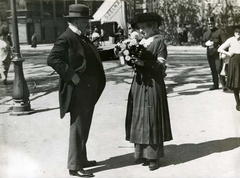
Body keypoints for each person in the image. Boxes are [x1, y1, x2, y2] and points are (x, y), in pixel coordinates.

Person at [47, 4, 106, 177]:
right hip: (79, 88)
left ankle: (82, 158)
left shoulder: (80, 36)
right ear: (77, 22)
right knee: (78, 125)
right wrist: (71, 75)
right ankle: (74, 166)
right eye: (85, 22)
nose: (88, 25)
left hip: (88, 88)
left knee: (84, 123)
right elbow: (52, 59)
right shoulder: (67, 37)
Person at [125, 13, 173, 171]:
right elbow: (135, 62)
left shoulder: (159, 42)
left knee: (151, 118)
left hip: (153, 84)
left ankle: (153, 157)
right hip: (139, 84)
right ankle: (142, 153)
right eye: (140, 28)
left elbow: (160, 66)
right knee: (139, 116)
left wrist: (143, 62)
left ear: (154, 26)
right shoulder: (139, 42)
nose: (142, 30)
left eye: (145, 27)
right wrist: (129, 60)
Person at [202, 16, 228, 91]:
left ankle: (224, 85)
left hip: (218, 54)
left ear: (214, 23)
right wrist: (205, 44)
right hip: (210, 54)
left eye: (211, 23)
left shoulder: (220, 32)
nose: (210, 25)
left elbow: (225, 43)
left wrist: (223, 53)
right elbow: (203, 43)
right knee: (213, 69)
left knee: (219, 69)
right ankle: (215, 85)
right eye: (209, 24)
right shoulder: (206, 33)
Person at [218, 25, 240, 111]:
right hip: (234, 62)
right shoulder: (231, 40)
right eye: (236, 32)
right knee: (236, 84)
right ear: (234, 33)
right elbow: (220, 49)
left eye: (239, 32)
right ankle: (238, 103)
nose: (238, 34)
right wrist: (228, 53)